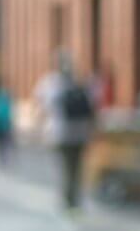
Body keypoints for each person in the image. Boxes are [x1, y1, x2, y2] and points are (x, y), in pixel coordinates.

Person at [34, 52, 95, 210]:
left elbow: (42, 108)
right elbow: (92, 109)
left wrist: (40, 130)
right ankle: (74, 199)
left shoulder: (51, 84)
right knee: (77, 168)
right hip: (80, 132)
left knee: (66, 168)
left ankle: (68, 200)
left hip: (61, 133)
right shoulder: (80, 82)